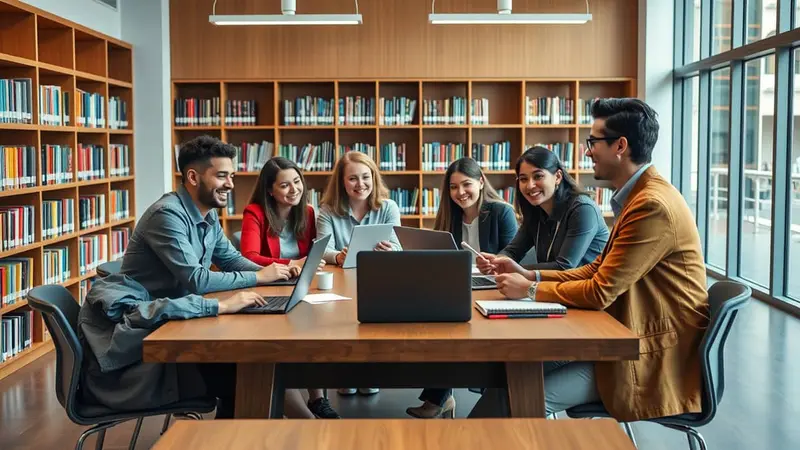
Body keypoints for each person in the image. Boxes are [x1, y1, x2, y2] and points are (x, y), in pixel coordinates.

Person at [470, 98, 710, 422]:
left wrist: (528, 291)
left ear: (620, 146)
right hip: (622, 335)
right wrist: (531, 278)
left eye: (593, 142)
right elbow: (598, 269)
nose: (587, 151)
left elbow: (600, 291)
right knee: (507, 374)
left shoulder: (651, 205)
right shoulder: (640, 197)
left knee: (517, 399)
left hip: (647, 356)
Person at [77, 135, 313, 420]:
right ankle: (305, 430)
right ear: (192, 176)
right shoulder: (167, 215)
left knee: (258, 362)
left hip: (178, 319)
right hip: (150, 335)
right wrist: (257, 278)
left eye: (232, 175)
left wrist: (277, 275)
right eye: (222, 176)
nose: (230, 184)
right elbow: (198, 280)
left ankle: (274, 430)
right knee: (254, 366)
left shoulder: (207, 214)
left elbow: (229, 259)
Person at [405, 157, 517, 419]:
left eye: (466, 184)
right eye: (453, 187)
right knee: (439, 323)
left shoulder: (501, 211)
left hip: (495, 288)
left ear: (480, 182)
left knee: (452, 324)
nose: (460, 193)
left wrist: (494, 262)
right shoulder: (450, 216)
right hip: (461, 286)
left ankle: (438, 399)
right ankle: (440, 397)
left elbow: (515, 256)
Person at [239, 156, 339, 419]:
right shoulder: (255, 213)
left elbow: (311, 254)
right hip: (266, 288)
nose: (294, 189)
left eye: (297, 182)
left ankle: (317, 400)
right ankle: (298, 411)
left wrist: (307, 264)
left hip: (298, 286)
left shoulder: (306, 212)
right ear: (270, 189)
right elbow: (247, 257)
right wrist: (291, 262)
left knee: (312, 331)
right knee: (283, 344)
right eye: (285, 185)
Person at [316, 150, 400, 396]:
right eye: (352, 178)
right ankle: (347, 374)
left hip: (379, 279)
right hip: (342, 279)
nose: (360, 184)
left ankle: (369, 373)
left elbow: (398, 244)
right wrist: (338, 257)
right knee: (342, 323)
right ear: (342, 182)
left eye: (366, 177)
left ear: (374, 178)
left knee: (370, 325)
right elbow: (323, 249)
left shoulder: (388, 207)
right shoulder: (328, 210)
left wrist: (389, 250)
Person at [475, 146, 609, 275]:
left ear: (557, 177)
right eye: (523, 179)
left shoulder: (583, 209)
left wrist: (513, 268)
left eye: (538, 176)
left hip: (588, 292)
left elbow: (565, 267)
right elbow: (512, 251)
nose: (530, 185)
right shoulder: (536, 211)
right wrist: (496, 261)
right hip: (554, 289)